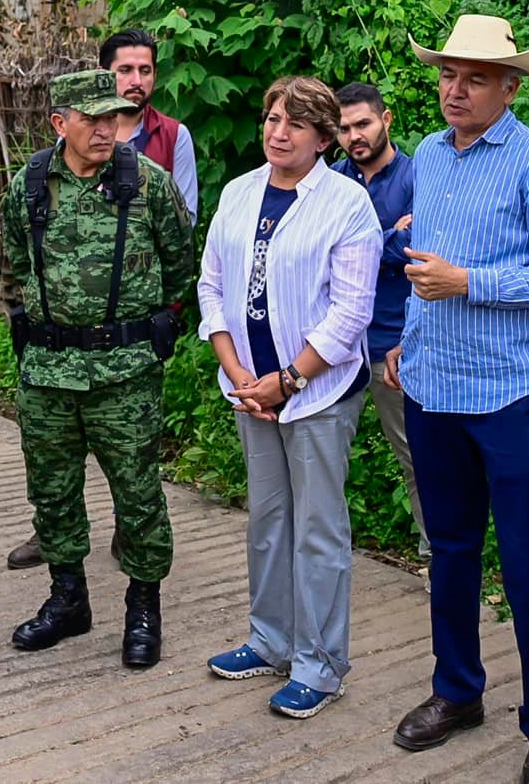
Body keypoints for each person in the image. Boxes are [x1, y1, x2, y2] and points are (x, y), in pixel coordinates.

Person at [382, 15, 529, 784]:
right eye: (445, 74)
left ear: (511, 86)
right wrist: (412, 332)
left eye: (472, 77)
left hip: (507, 391)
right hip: (433, 383)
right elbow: (429, 263)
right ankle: (457, 692)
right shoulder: (430, 157)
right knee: (451, 550)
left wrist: (470, 283)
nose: (453, 89)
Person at [202, 77, 380, 719]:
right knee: (267, 521)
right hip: (250, 389)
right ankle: (271, 640)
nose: (278, 132)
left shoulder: (346, 203)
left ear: (324, 138)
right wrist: (239, 373)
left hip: (316, 394)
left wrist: (290, 379)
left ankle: (321, 665)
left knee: (318, 529)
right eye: (273, 118)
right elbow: (212, 286)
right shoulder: (239, 191)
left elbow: (351, 313)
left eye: (295, 124)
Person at [3, 69, 193, 668]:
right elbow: (14, 260)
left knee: (137, 495)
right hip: (48, 371)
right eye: (93, 119)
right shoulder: (30, 184)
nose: (107, 129)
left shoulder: (148, 183)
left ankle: (143, 607)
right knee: (52, 492)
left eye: (113, 117)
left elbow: (180, 264)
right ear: (60, 123)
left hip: (125, 371)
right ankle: (68, 600)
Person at [331, 80, 427, 555]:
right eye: (344, 128)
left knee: (417, 459)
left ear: (386, 120)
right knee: (325, 459)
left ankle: (437, 558)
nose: (354, 136)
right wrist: (389, 236)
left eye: (363, 123)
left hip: (395, 343)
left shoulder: (418, 177)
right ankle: (325, 555)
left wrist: (373, 245)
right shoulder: (330, 180)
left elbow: (418, 253)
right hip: (335, 344)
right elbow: (322, 258)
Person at [103, 29, 199, 219]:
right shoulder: (79, 131)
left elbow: (185, 219)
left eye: (145, 71)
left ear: (155, 75)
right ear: (103, 74)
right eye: (125, 70)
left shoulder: (174, 136)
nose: (137, 81)